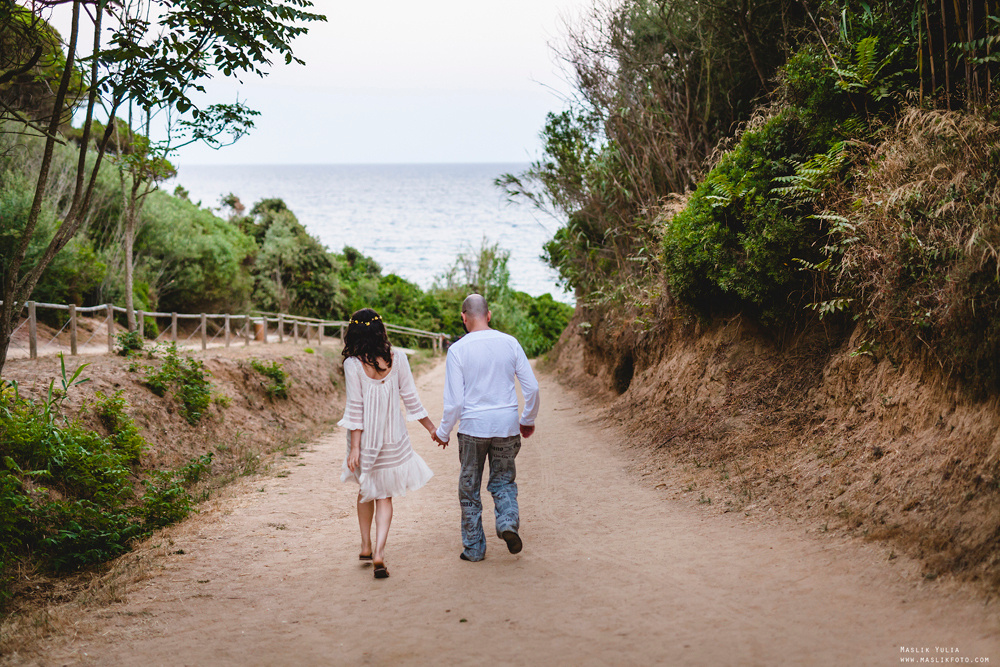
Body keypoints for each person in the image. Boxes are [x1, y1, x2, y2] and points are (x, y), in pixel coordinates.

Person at [433, 294, 540, 562]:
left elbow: (455, 402)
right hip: (506, 426)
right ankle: (507, 523)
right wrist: (526, 419)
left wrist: (443, 432)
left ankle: (474, 549)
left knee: (469, 488)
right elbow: (533, 388)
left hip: (472, 429)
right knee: (503, 482)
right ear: (489, 315)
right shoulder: (510, 343)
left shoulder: (457, 350)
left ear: (464, 317)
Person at [339, 308, 436, 579]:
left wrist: (356, 448)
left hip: (365, 439)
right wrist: (432, 429)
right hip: (392, 437)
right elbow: (412, 399)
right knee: (384, 495)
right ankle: (379, 552)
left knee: (365, 487)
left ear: (354, 332)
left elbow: (355, 408)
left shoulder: (353, 365)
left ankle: (365, 545)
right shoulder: (399, 359)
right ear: (381, 330)